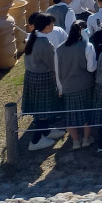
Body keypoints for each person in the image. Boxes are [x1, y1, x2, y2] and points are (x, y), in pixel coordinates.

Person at [23, 13, 64, 151]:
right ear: (46, 26)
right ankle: (35, 141)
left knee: (41, 109)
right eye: (51, 24)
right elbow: (54, 64)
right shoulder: (44, 43)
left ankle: (46, 132)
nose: (53, 26)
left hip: (32, 77)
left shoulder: (32, 39)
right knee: (43, 110)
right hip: (43, 79)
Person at [56, 21, 96, 150]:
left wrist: (60, 89)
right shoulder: (87, 46)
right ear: (83, 31)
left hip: (67, 86)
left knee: (71, 116)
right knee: (86, 113)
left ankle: (76, 141)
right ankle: (86, 138)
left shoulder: (59, 49)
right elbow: (91, 68)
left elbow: (57, 72)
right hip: (84, 85)